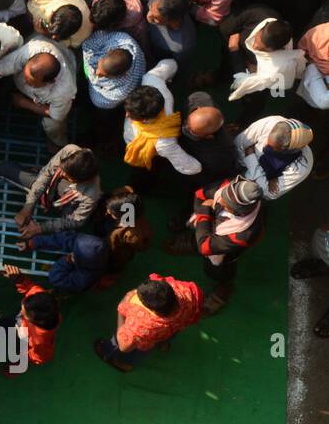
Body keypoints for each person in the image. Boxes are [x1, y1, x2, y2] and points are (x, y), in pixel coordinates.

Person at [183, 176, 266, 308]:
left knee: (217, 270)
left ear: (239, 212)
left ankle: (225, 286)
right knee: (200, 235)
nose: (220, 199)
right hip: (215, 231)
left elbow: (205, 247)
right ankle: (194, 242)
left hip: (226, 253)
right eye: (224, 195)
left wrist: (204, 211)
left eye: (226, 203)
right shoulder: (229, 185)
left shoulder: (243, 234)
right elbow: (199, 194)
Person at [95, 274, 202, 371]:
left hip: (148, 339)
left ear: (152, 309)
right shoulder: (186, 291)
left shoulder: (142, 325)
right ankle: (163, 344)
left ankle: (121, 362)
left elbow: (123, 346)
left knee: (134, 350)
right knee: (166, 336)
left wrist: (121, 309)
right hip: (174, 327)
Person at [123, 60, 203, 180]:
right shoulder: (152, 80)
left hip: (150, 157)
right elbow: (171, 64)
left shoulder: (164, 144)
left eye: (132, 114)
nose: (126, 115)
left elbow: (194, 168)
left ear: (148, 117)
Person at [0, 145, 102, 240]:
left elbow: (76, 221)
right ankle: (43, 198)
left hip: (69, 206)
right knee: (4, 168)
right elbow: (45, 176)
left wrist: (40, 228)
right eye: (63, 169)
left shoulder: (91, 195)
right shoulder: (70, 151)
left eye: (67, 176)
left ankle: (51, 207)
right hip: (49, 187)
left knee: (68, 233)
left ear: (82, 181)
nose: (62, 173)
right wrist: (28, 207)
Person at [234, 116, 314, 200]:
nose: (266, 145)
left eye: (272, 148)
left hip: (249, 189)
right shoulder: (270, 122)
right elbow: (239, 144)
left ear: (288, 151)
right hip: (239, 162)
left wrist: (250, 158)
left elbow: (266, 193)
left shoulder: (302, 167)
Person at [22, 0, 92, 50]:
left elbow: (67, 45)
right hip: (24, 6)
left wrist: (46, 35)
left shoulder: (85, 31)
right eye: (50, 27)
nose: (53, 37)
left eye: (57, 36)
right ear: (52, 13)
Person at [82, 30, 146, 110]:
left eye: (103, 75)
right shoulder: (121, 39)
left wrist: (90, 77)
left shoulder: (123, 89)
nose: (97, 72)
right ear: (109, 50)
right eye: (99, 65)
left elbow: (99, 101)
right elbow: (88, 43)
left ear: (122, 75)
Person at [139, 0, 197, 68]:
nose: (149, 15)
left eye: (156, 18)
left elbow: (175, 67)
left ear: (174, 21)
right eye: (150, 7)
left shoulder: (184, 46)